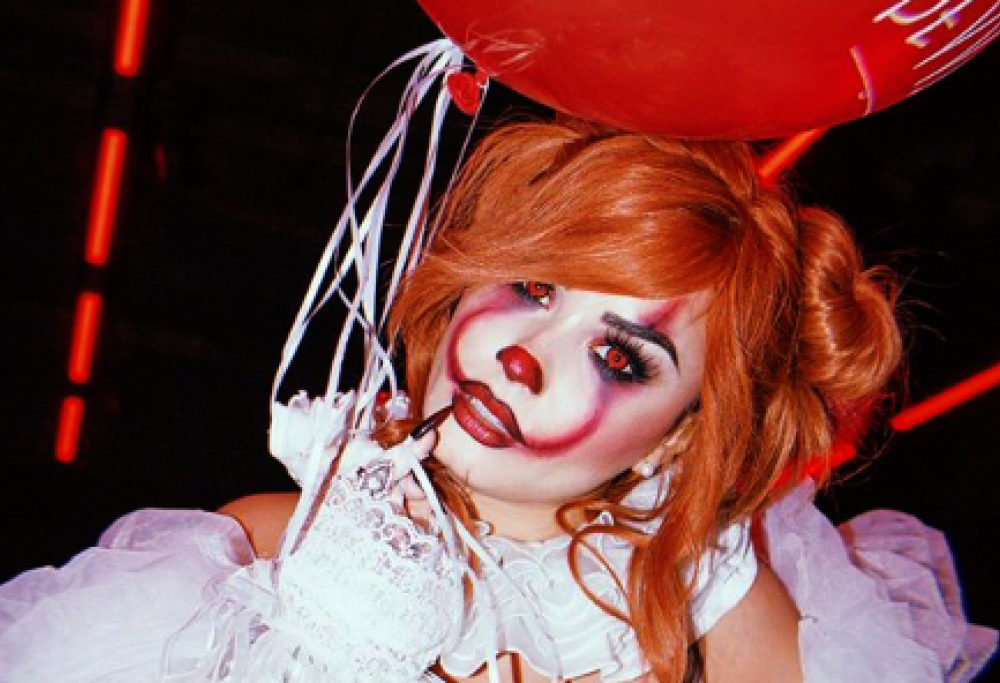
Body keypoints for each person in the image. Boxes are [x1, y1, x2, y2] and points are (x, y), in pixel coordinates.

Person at [0, 117, 995, 683]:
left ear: (678, 437)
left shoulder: (702, 598)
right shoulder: (257, 557)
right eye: (533, 284)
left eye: (619, 355)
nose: (522, 356)